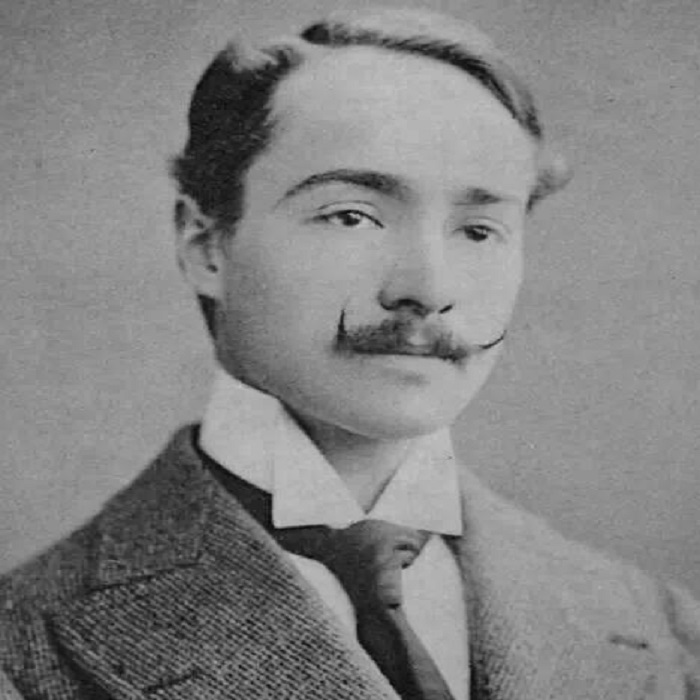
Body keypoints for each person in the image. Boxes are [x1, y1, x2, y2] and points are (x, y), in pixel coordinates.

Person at [1, 7, 699, 700]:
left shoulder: (664, 633)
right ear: (206, 245)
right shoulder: (21, 653)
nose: (428, 290)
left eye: (478, 230)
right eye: (351, 216)